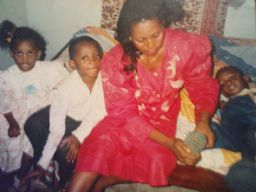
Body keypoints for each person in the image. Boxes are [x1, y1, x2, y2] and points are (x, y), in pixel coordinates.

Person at [67, 0, 219, 191]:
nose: (150, 45)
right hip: (123, 121)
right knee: (100, 147)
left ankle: (105, 182)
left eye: (156, 35)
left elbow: (202, 85)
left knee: (158, 160)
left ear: (164, 23)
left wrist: (203, 122)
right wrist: (170, 143)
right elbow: (124, 114)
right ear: (129, 34)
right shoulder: (116, 59)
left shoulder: (187, 46)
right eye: (140, 39)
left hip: (160, 121)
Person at [21, 35, 107, 190]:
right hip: (64, 117)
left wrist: (78, 136)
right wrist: (43, 163)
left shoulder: (104, 80)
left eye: (96, 56)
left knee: (67, 151)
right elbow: (57, 128)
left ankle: (63, 178)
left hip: (86, 123)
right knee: (32, 124)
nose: (93, 61)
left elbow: (99, 111)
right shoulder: (67, 87)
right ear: (73, 64)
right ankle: (46, 165)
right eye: (85, 58)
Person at [0, 20, 68, 186]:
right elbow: (4, 101)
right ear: (11, 54)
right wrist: (12, 122)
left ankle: (20, 176)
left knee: (30, 143)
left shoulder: (44, 68)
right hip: (13, 115)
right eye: (19, 53)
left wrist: (70, 66)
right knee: (12, 142)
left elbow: (63, 73)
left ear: (38, 54)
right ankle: (11, 175)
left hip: (36, 112)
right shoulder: (8, 77)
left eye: (29, 53)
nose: (24, 59)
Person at [214, 66, 256, 192]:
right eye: (223, 85)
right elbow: (232, 140)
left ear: (245, 78)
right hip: (249, 149)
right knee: (237, 175)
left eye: (232, 78)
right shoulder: (229, 105)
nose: (229, 83)